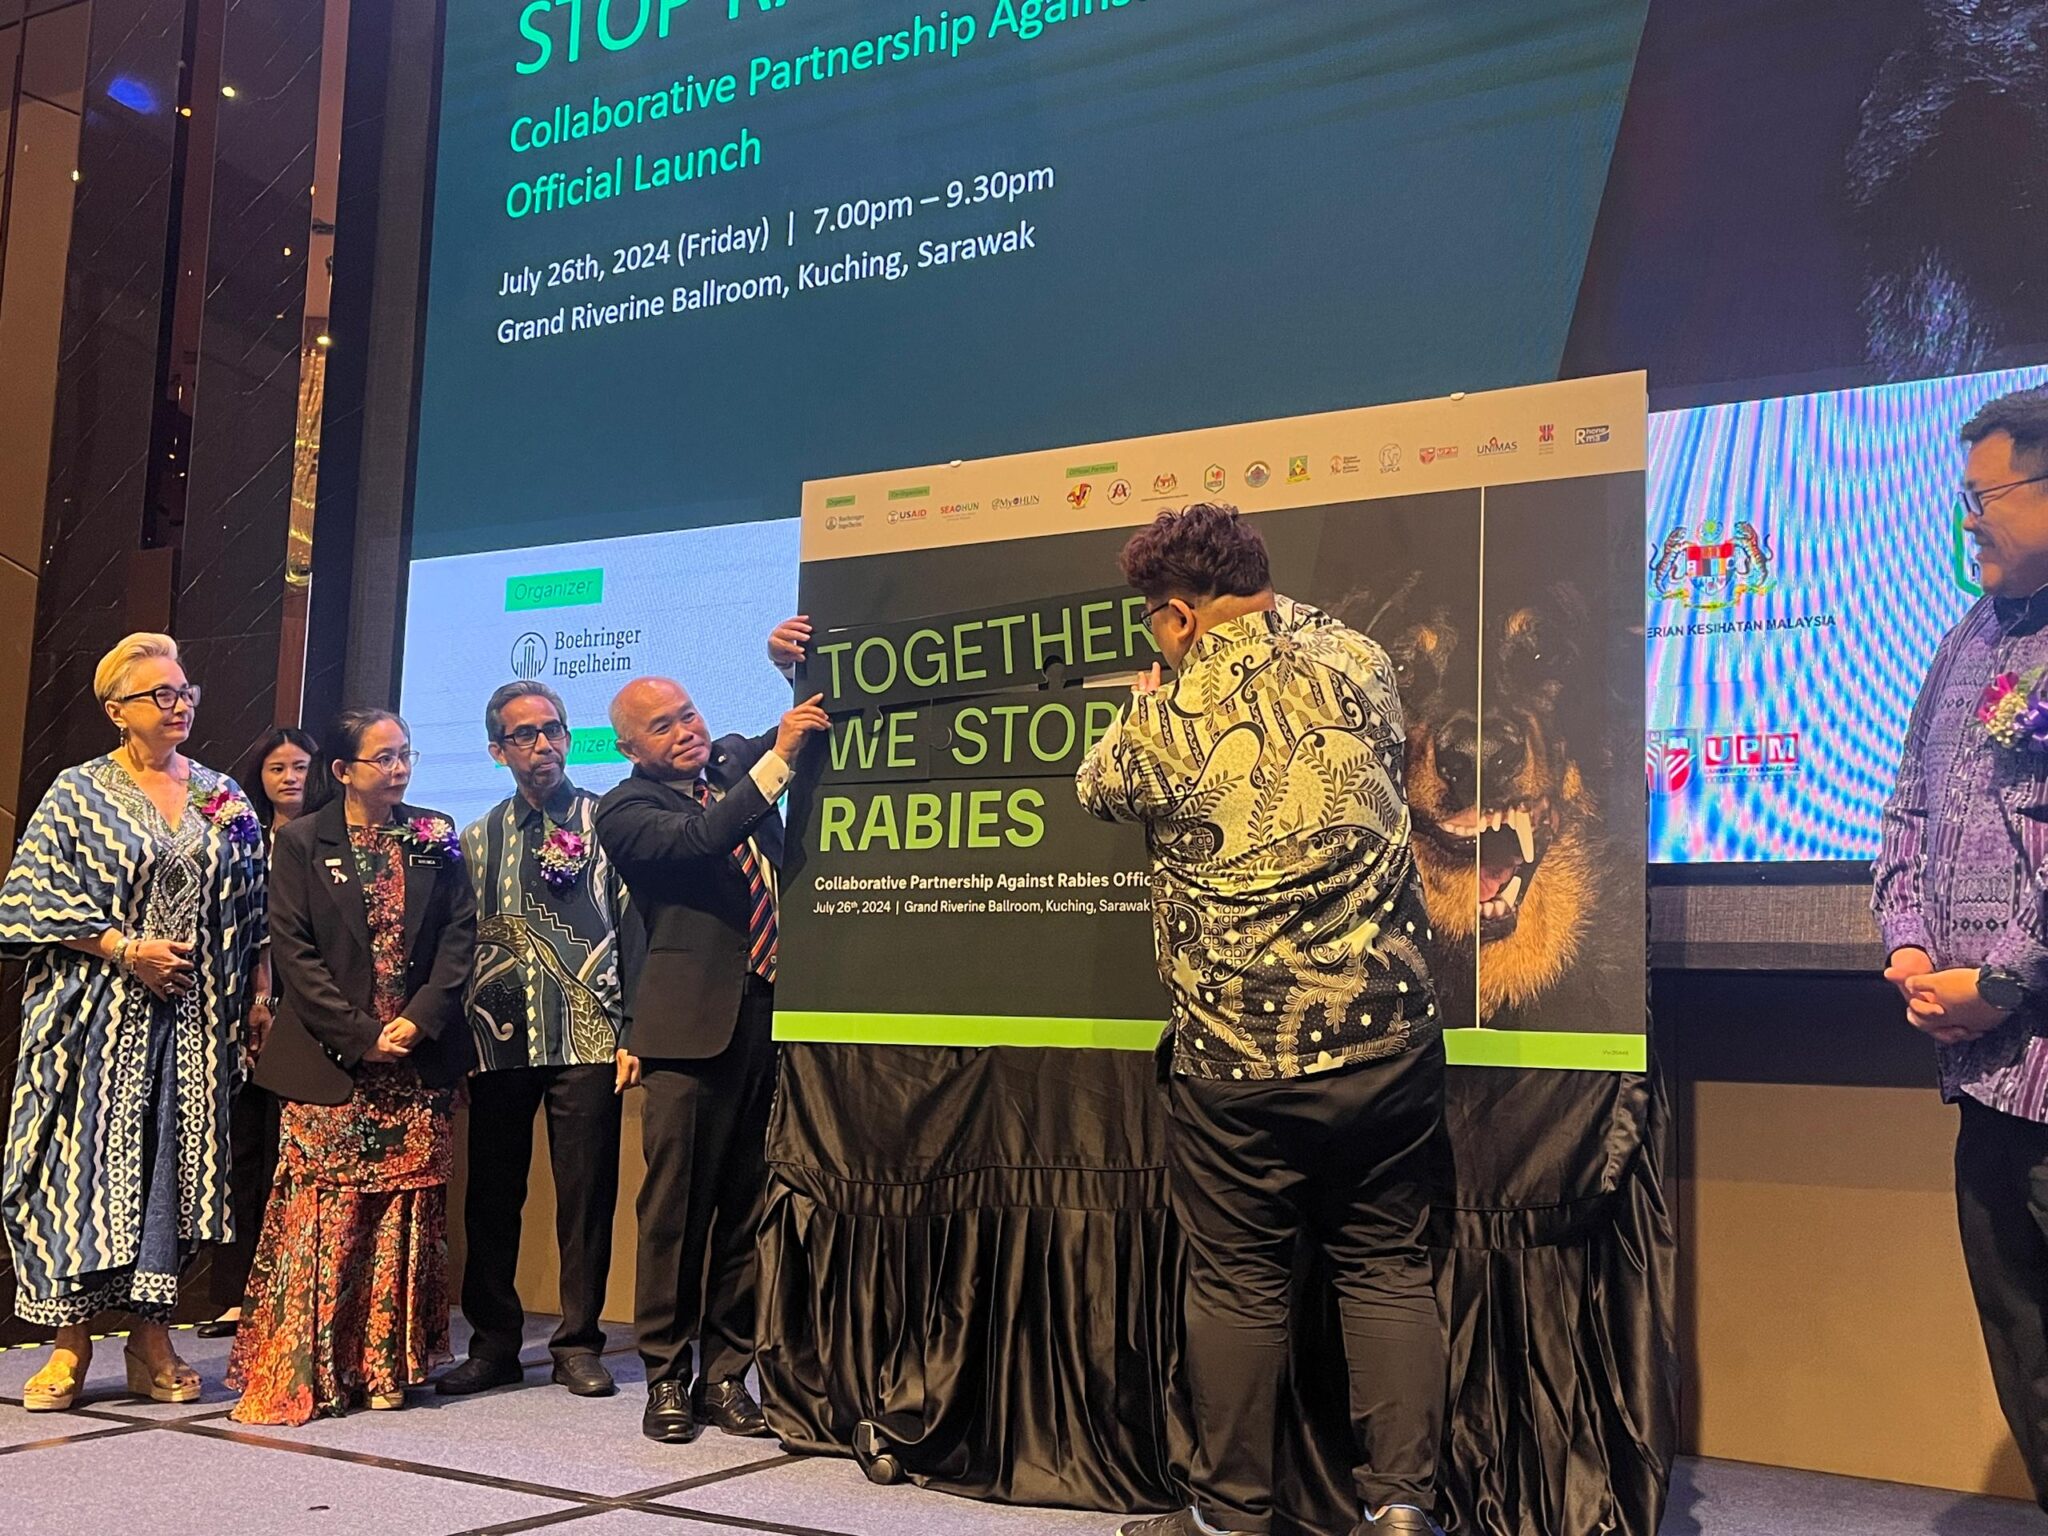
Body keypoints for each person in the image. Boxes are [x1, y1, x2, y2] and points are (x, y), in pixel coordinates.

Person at [1077, 506, 1448, 1536]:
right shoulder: (1362, 658)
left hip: (1238, 1057)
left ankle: (1230, 1517)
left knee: (1239, 1280)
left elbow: (1098, 787)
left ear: (1179, 613)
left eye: (1154, 620)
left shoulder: (1165, 717)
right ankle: (1402, 1510)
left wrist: (1156, 693)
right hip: (1387, 1040)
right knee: (1386, 1265)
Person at [1, 633, 266, 1410]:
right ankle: (70, 1344)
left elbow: (255, 907)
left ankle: (152, 1341)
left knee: (169, 1173)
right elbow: (28, 897)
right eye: (160, 694)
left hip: (193, 1023)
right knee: (79, 1174)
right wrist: (126, 949)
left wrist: (258, 992)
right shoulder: (77, 792)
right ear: (117, 710)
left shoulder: (221, 795)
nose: (179, 706)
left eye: (184, 692)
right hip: (93, 1020)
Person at [1875, 383, 2048, 1513]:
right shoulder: (1965, 640)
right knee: (2022, 1346)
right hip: (1987, 1082)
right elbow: (1907, 810)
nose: (1967, 520)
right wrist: (1906, 947)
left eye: (1985, 496)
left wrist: (2002, 978)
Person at [593, 619, 827, 1444]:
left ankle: (726, 1375)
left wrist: (788, 668)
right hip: (687, 1035)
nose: (687, 732)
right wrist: (776, 758)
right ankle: (665, 1374)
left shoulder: (729, 763)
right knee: (674, 1213)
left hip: (768, 1017)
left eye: (689, 714)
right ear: (631, 747)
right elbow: (706, 835)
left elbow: (799, 730)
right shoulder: (625, 810)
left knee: (744, 1210)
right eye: (663, 726)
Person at [228, 709, 477, 1424]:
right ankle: (324, 1364)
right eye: (383, 758)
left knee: (403, 1214)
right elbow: (294, 953)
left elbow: (459, 937)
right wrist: (362, 1035)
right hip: (332, 1059)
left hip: (416, 1059)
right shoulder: (303, 841)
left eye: (406, 755)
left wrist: (418, 1021)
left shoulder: (433, 833)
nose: (399, 770)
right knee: (328, 1212)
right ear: (342, 770)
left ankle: (386, 1365)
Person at [438, 681, 639, 1400]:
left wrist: (634, 1029)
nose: (544, 744)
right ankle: (493, 1345)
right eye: (524, 734)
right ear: (498, 751)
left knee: (586, 1197)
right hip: (497, 1045)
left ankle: (578, 1343)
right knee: (492, 1198)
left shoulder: (607, 822)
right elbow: (455, 948)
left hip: (589, 1038)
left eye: (553, 729)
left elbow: (635, 930)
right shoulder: (474, 839)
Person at [200, 727, 326, 1339]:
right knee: (242, 1150)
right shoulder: (238, 838)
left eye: (300, 766)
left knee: (292, 1154)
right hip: (238, 1009)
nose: (289, 778)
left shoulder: (332, 838)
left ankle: (291, 1291)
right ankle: (236, 1293)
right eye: (277, 768)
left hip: (310, 1013)